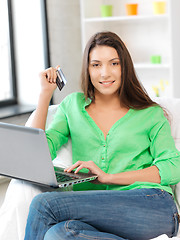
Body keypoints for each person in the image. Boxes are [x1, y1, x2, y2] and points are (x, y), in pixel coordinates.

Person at [24, 31, 180, 240]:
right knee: (58, 234)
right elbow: (36, 155)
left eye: (114, 63)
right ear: (87, 69)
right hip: (96, 213)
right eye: (96, 65)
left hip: (152, 205)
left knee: (44, 204)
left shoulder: (149, 112)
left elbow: (172, 167)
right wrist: (45, 94)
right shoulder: (73, 106)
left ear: (125, 67)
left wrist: (109, 178)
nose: (105, 73)